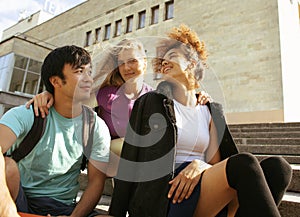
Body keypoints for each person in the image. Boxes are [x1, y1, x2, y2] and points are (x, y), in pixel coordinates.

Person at [109, 24, 293, 217]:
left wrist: (200, 165)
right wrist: (116, 213)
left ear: (191, 63)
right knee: (244, 163)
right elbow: (130, 158)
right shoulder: (152, 102)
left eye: (171, 57)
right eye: (162, 61)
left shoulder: (210, 110)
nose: (164, 63)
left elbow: (215, 163)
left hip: (203, 186)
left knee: (279, 167)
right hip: (169, 193)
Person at [27, 39, 211, 177]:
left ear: (145, 62)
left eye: (132, 60)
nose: (127, 67)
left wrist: (200, 97)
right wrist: (48, 94)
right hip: (110, 158)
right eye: (121, 63)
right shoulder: (106, 95)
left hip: (144, 161)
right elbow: (70, 103)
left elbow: (181, 105)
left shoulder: (156, 97)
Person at [0, 45, 111, 216]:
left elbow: (96, 181)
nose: (89, 79)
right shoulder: (25, 114)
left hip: (64, 207)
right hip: (17, 200)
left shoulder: (96, 126)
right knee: (6, 166)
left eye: (89, 72)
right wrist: (9, 211)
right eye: (80, 71)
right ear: (56, 81)